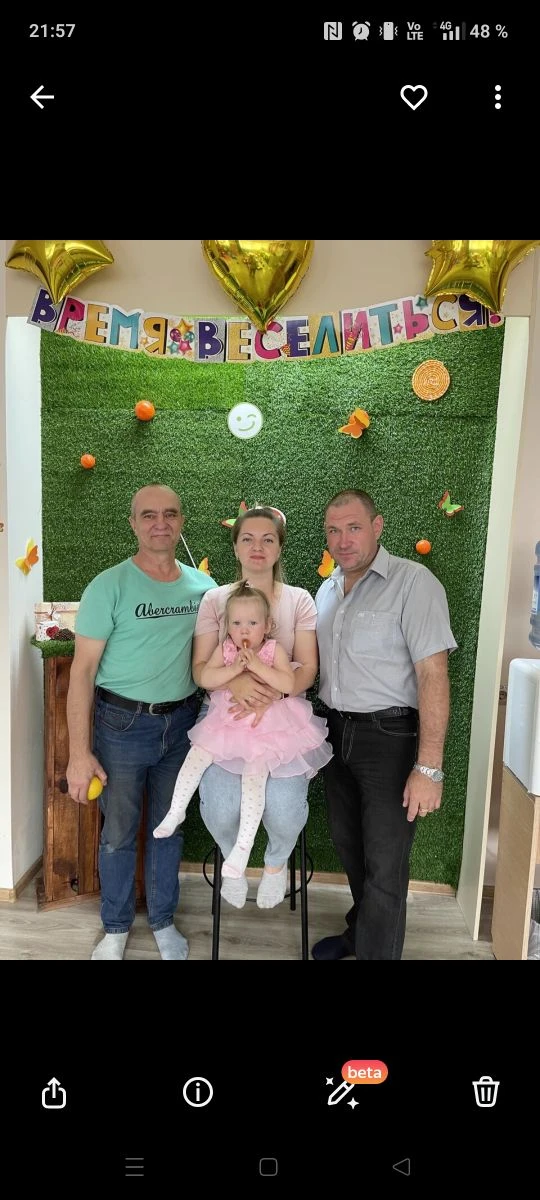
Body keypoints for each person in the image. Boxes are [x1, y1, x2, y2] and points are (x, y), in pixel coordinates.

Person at [65, 484, 217, 960]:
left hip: (184, 725)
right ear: (133, 523)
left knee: (169, 827)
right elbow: (82, 672)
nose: (160, 523)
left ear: (181, 521)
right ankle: (115, 928)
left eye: (170, 513)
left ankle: (163, 921)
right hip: (121, 726)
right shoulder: (107, 585)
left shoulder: (205, 589)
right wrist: (78, 753)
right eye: (148, 515)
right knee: (118, 832)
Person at [312, 489, 457, 961]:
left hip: (389, 740)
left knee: (385, 861)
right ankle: (360, 935)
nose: (343, 540)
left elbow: (433, 674)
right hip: (333, 734)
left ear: (377, 526)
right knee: (349, 845)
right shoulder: (327, 589)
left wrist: (428, 767)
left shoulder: (414, 583)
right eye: (334, 530)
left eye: (354, 527)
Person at [154, 581, 332, 879]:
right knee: (197, 755)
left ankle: (243, 847)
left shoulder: (273, 650)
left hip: (266, 727)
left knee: (254, 778)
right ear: (228, 626)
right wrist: (235, 670)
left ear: (268, 626)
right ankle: (176, 811)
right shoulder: (226, 649)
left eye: (252, 623)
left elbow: (288, 683)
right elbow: (206, 678)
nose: (244, 630)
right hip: (227, 722)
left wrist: (257, 667)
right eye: (236, 624)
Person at [193, 506, 320, 909]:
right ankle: (234, 860)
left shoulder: (299, 600)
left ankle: (275, 864)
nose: (257, 547)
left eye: (268, 539)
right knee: (220, 809)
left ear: (280, 547)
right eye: (247, 538)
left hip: (282, 721)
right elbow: (200, 668)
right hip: (225, 717)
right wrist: (238, 680)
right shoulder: (215, 599)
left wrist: (275, 694)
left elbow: (308, 668)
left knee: (284, 811)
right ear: (235, 547)